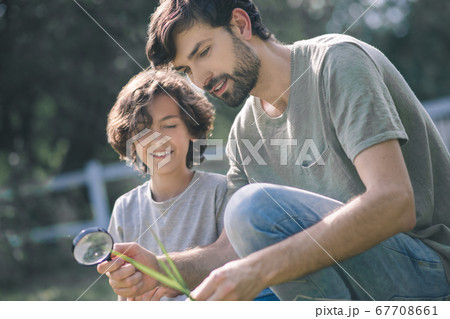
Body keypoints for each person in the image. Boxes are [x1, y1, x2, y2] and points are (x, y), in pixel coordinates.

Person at [104, 0, 450, 300]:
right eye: (186, 70)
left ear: (240, 25)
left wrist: (260, 269)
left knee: (250, 208)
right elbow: (231, 248)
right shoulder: (244, 134)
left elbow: (394, 202)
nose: (200, 80)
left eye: (204, 52)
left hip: (429, 270)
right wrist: (162, 269)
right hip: (354, 282)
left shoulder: (336, 63)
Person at [99, 69, 277, 301]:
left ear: (192, 132)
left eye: (169, 125)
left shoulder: (222, 192)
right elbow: (125, 293)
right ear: (131, 143)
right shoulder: (124, 208)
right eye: (143, 130)